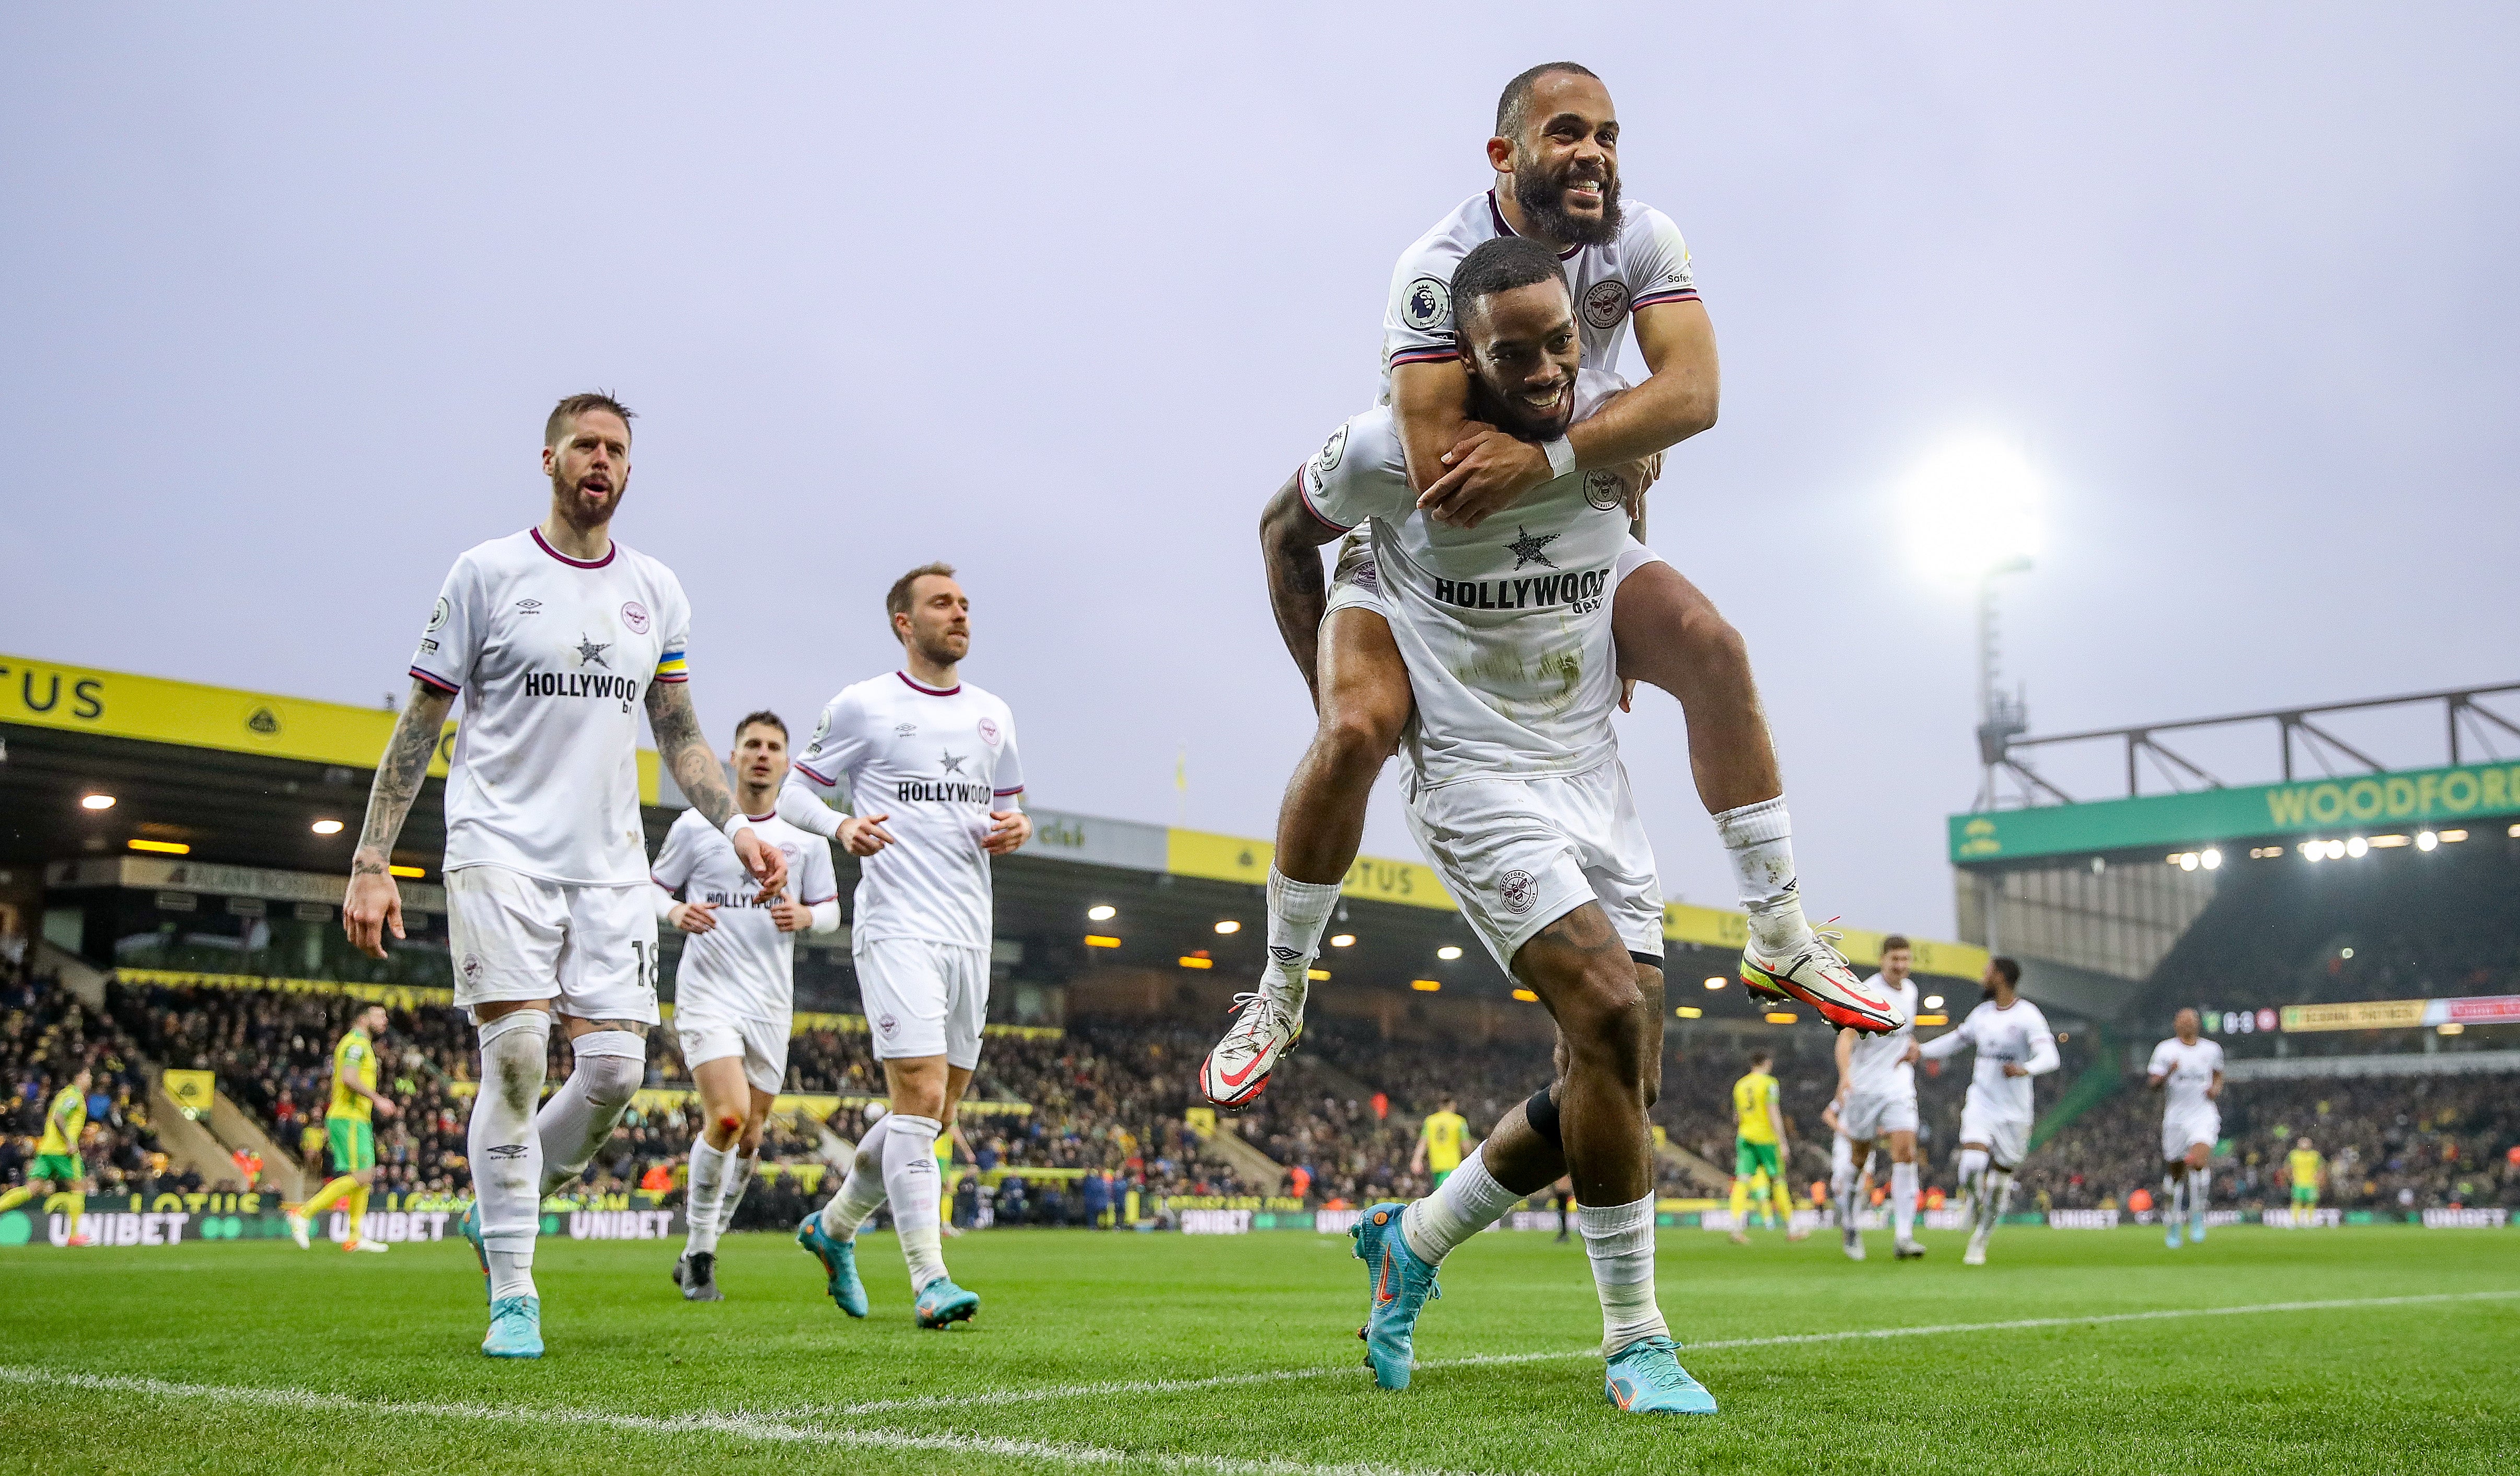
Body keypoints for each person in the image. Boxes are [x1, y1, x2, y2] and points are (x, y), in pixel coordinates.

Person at [1200, 60, 1897, 1111]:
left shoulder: (1641, 237)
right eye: (1566, 133)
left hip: (1563, 517)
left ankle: (1778, 932)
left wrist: (1583, 474)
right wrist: (1620, 430)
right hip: (1421, 555)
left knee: (1710, 646)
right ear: (1503, 155)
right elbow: (1443, 478)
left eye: (1608, 135)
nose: (1592, 155)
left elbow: (1695, 392)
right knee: (1352, 736)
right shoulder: (1435, 268)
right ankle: (1278, 988)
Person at [1272, 237, 1729, 1413]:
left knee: (1618, 1077)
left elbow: (1624, 523)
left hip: (1587, 773)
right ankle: (1636, 1341)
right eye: (1505, 352)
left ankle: (1409, 1241)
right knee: (1608, 1010)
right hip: (1471, 773)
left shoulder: (1606, 429)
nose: (1536, 369)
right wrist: (1329, 688)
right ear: (1458, 354)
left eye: (1555, 343)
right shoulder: (1390, 451)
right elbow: (1279, 534)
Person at [342, 391, 788, 1360]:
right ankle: (514, 1285)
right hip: (498, 849)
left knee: (618, 1071)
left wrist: (738, 822)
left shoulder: (656, 590)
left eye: (617, 448)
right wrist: (373, 858)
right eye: (584, 443)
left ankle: (499, 1202)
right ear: (547, 458)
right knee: (515, 1057)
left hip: (611, 865)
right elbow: (420, 722)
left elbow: (676, 729)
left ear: (630, 471)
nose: (601, 459)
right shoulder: (487, 572)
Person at [780, 563, 1030, 1330]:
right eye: (940, 604)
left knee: (935, 1113)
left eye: (962, 604)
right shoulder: (864, 705)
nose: (958, 615)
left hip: (969, 931)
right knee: (918, 1099)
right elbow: (795, 791)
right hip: (896, 927)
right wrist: (839, 826)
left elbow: (1011, 812)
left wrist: (1017, 832)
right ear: (902, 621)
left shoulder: (993, 715)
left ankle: (834, 1227)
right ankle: (929, 1280)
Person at [652, 710, 841, 1301]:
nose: (762, 754)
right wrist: (675, 911)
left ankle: (697, 1248)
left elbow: (832, 910)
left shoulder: (804, 838)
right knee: (728, 1117)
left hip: (769, 1003)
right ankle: (703, 1254)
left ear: (786, 762)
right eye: (751, 744)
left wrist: (807, 916)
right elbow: (649, 889)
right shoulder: (693, 826)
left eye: (773, 747)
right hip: (708, 994)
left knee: (753, 1137)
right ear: (732, 758)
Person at [1918, 957, 2057, 1266]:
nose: (1982, 977)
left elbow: (2051, 1056)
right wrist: (1921, 1051)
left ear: (2002, 977)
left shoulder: (2027, 1015)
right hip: (1982, 1102)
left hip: (2015, 1111)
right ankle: (1973, 1204)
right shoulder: (1981, 1014)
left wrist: (2025, 1069)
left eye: (1987, 973)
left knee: (1998, 1183)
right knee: (1971, 1164)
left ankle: (1980, 1239)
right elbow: (1956, 1041)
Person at [1831, 936, 1925, 1261]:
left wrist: (1911, 1045)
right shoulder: (1866, 993)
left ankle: (1904, 1236)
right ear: (1882, 960)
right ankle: (1851, 1224)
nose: (1900, 966)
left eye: (1905, 959)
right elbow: (1846, 1039)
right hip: (1864, 1086)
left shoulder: (1911, 992)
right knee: (1859, 1160)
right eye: (1894, 959)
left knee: (1906, 1153)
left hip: (1899, 1085)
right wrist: (1845, 1076)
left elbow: (1903, 1031)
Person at [286, 1004, 397, 1253]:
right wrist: (378, 1099)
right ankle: (303, 1214)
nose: (385, 1020)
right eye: (380, 1014)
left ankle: (356, 1235)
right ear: (363, 1017)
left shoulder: (362, 1044)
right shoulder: (356, 1044)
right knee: (362, 1176)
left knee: (365, 1175)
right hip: (348, 1118)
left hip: (359, 1118)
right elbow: (348, 1077)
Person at [2145, 1008, 2225, 1248]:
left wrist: (2215, 1090)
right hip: (2176, 1118)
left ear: (2198, 1024)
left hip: (2203, 1113)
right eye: (2183, 1021)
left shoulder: (2211, 1050)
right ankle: (2174, 1225)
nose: (2188, 1025)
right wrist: (2169, 1071)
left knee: (2198, 1162)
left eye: (2192, 1021)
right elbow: (2153, 1085)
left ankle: (2198, 1215)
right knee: (2177, 1176)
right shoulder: (2165, 1050)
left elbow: (2219, 1075)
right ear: (2176, 1024)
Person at [0, 1063, 92, 1245]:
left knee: (31, 1189)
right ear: (79, 1077)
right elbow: (59, 1117)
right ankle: (74, 1236)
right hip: (62, 1151)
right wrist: (69, 1142)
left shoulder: (64, 1094)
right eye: (88, 1075)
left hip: (46, 1148)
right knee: (79, 1187)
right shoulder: (74, 1096)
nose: (91, 1079)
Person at [1727, 1050, 1807, 1245]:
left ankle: (1736, 1227)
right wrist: (1783, 1142)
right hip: (1766, 1138)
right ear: (1767, 1063)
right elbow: (1774, 1112)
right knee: (1778, 1180)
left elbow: (1736, 1116)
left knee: (1743, 1181)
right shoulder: (1770, 1084)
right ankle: (1792, 1228)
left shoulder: (1740, 1085)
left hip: (1745, 1136)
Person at [1411, 1097, 1470, 1189]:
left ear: (1440, 1106)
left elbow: (1423, 1142)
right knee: (1447, 1195)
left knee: (1441, 1192)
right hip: (1452, 1164)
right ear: (1453, 1105)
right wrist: (1470, 1160)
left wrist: (1417, 1160)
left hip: (1436, 1164)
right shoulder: (1459, 1122)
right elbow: (1465, 1145)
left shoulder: (1430, 1121)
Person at [2287, 1137, 2324, 1228]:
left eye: (2307, 1143)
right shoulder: (2293, 1154)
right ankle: (2294, 1221)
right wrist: (2290, 1177)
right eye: (2303, 1143)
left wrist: (2319, 1179)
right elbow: (2287, 1167)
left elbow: (2321, 1168)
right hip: (2298, 1183)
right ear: (2299, 1144)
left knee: (2311, 1203)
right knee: (2297, 1202)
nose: (2305, 1145)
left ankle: (2309, 1221)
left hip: (2311, 1183)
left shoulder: (2315, 1155)